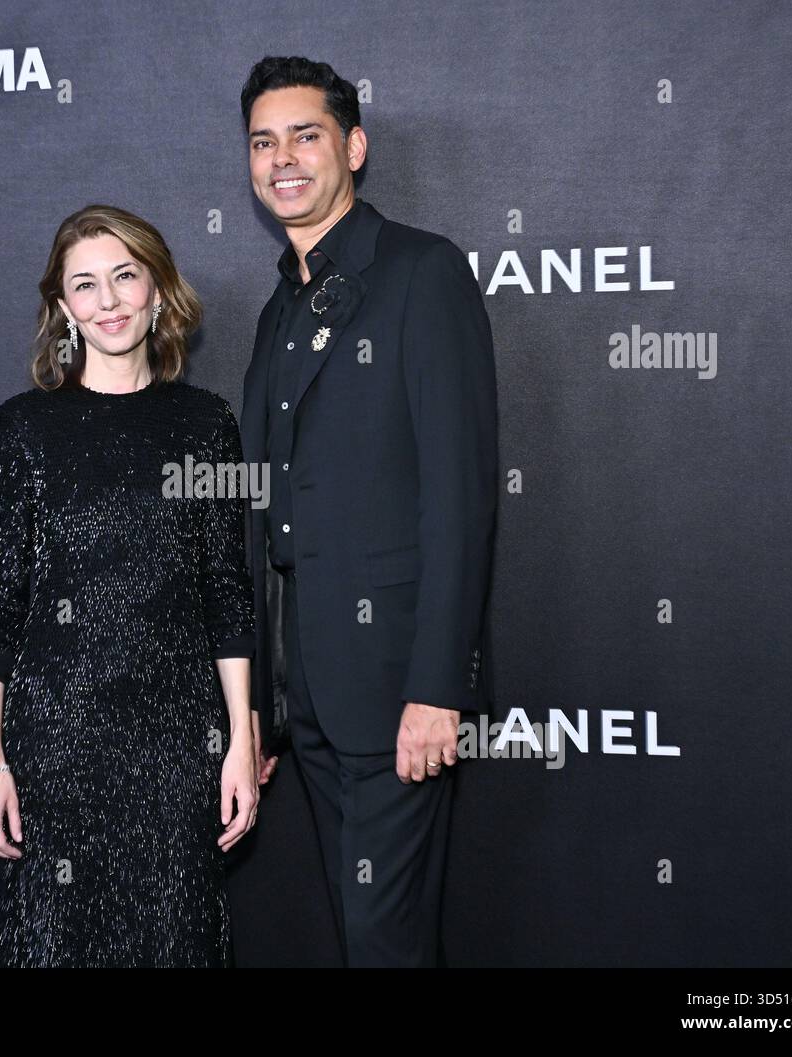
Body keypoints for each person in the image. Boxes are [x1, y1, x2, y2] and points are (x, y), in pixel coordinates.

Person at [238, 56, 500, 966]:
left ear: (353, 145)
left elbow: (460, 499)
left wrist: (438, 686)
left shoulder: (422, 273)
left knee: (384, 942)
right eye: (264, 142)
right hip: (306, 690)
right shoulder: (281, 307)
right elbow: (265, 517)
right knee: (362, 938)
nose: (284, 160)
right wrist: (263, 705)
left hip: (396, 689)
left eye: (305, 135)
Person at [0, 204, 260, 967]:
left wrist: (239, 736)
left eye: (126, 276)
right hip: (56, 744)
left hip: (176, 745)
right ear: (63, 307)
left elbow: (226, 591)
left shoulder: (207, 424)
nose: (110, 300)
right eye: (85, 285)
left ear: (158, 290)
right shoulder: (25, 427)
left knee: (175, 942)